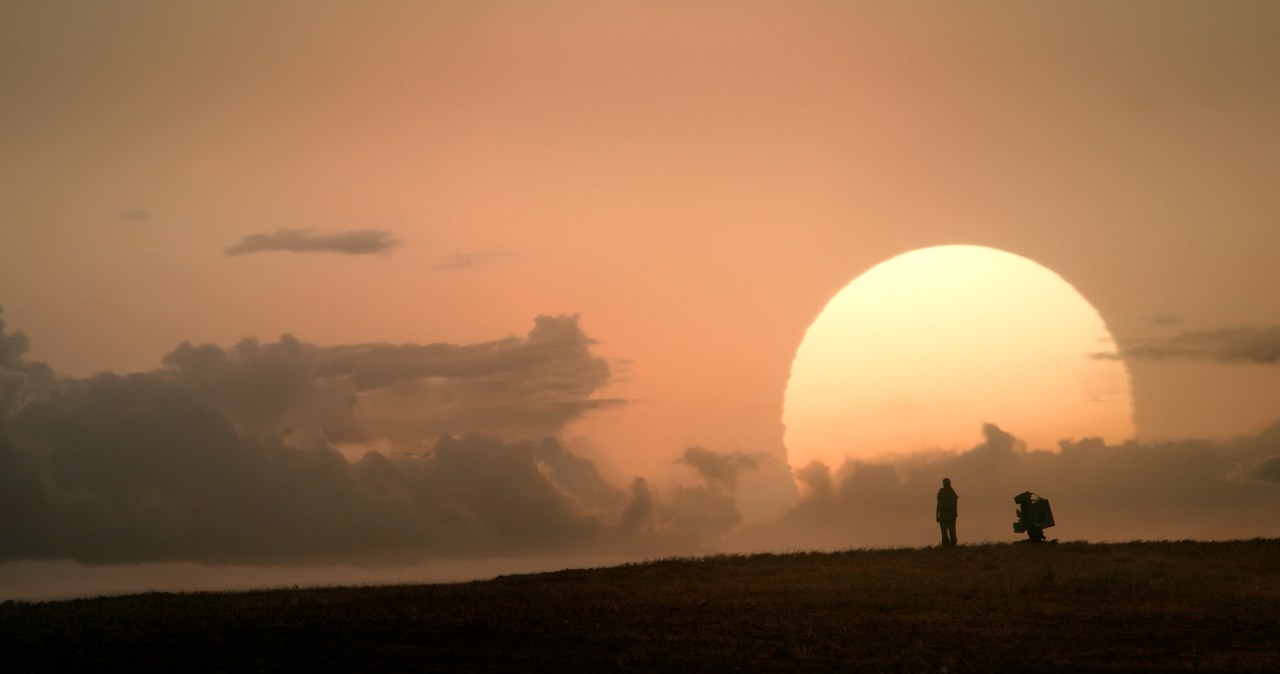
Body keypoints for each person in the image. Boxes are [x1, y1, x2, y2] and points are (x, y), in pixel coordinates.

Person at [936, 478, 958, 546]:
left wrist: (955, 513)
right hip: (944, 514)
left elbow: (955, 503)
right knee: (944, 532)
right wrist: (937, 515)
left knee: (952, 531)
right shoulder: (943, 491)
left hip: (950, 514)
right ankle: (946, 545)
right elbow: (939, 504)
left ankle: (952, 545)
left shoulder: (951, 492)